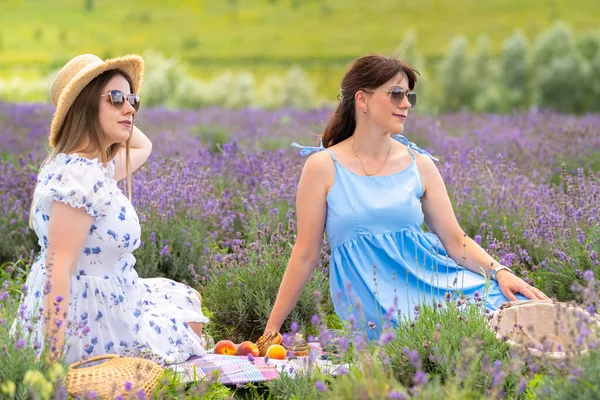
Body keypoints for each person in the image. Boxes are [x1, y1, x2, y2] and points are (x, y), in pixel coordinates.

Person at [263, 54, 549, 341]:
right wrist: (271, 328)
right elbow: (305, 253)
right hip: (378, 311)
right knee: (467, 335)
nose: (406, 104)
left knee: (524, 315)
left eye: (409, 96)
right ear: (362, 100)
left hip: (441, 289)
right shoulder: (323, 166)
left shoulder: (420, 164)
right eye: (396, 94)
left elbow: (455, 240)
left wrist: (500, 272)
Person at [13, 54, 209, 364]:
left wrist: (118, 113)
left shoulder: (95, 168)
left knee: (186, 299)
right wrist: (51, 364)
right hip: (91, 318)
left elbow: (143, 147)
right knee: (186, 319)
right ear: (85, 106)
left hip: (116, 297)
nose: (130, 108)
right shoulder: (79, 176)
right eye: (116, 99)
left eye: (133, 100)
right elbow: (58, 268)